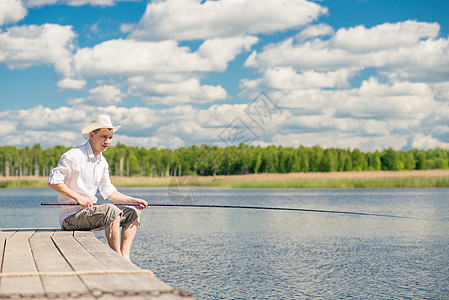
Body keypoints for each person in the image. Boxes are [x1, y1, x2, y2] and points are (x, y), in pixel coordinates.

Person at [47, 115, 148, 262]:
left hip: (90, 214)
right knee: (111, 210)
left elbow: (109, 192)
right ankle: (116, 259)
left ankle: (125, 259)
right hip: (70, 219)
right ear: (92, 135)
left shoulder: (102, 162)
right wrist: (78, 197)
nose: (107, 142)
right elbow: (53, 181)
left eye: (110, 137)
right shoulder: (74, 155)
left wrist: (133, 200)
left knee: (133, 212)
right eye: (103, 137)